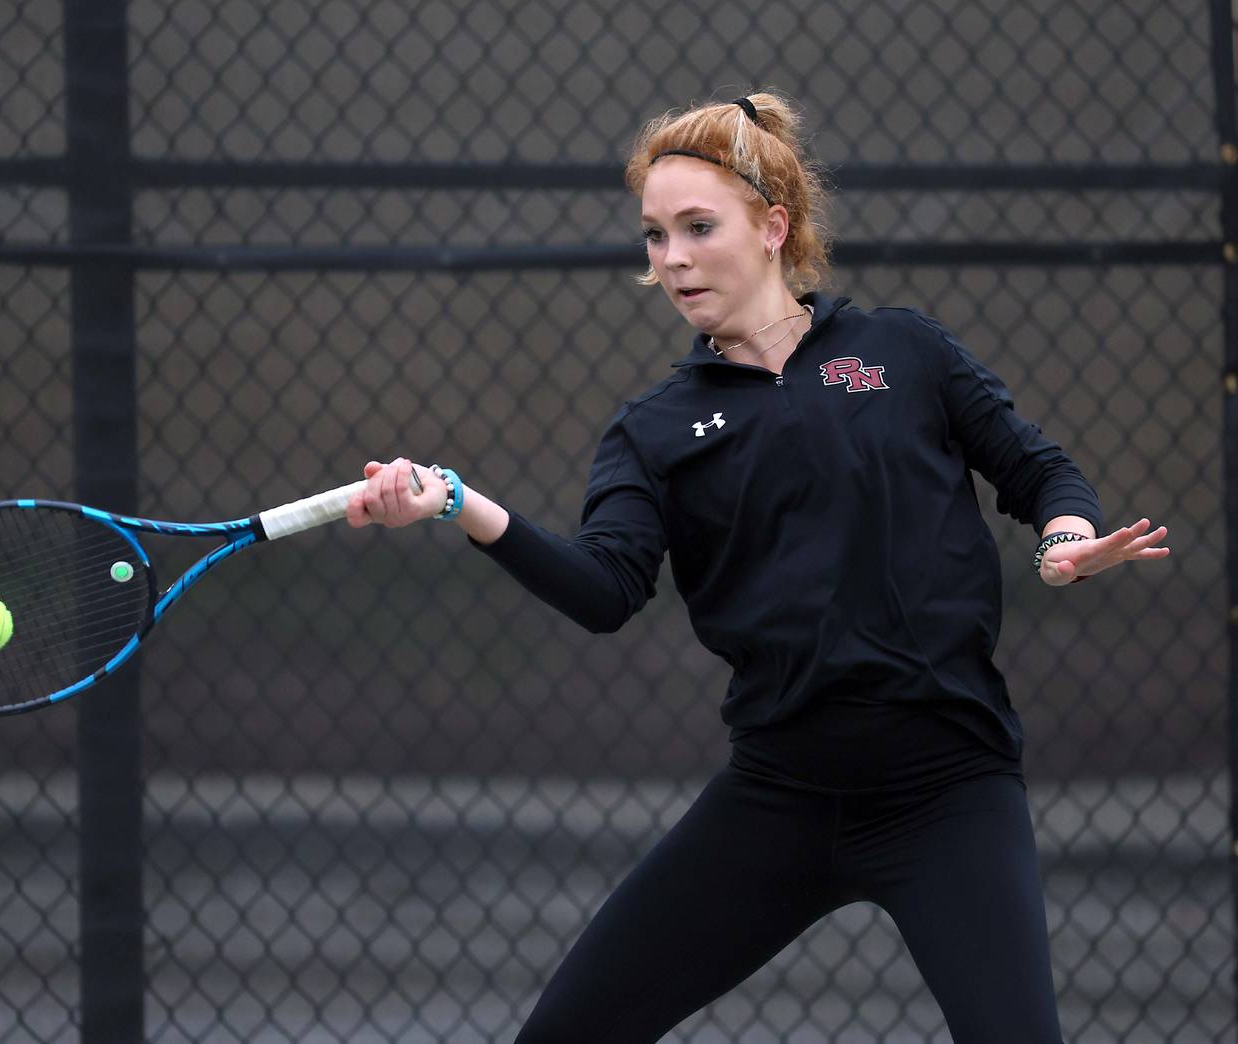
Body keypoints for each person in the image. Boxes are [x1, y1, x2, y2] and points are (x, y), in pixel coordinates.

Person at [345, 92, 1170, 1043]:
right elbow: (605, 590)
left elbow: (1040, 470)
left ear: (774, 227)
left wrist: (1066, 537)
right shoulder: (653, 431)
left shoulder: (902, 353)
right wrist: (458, 502)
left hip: (949, 791)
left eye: (700, 228)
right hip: (779, 796)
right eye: (655, 236)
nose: (674, 258)